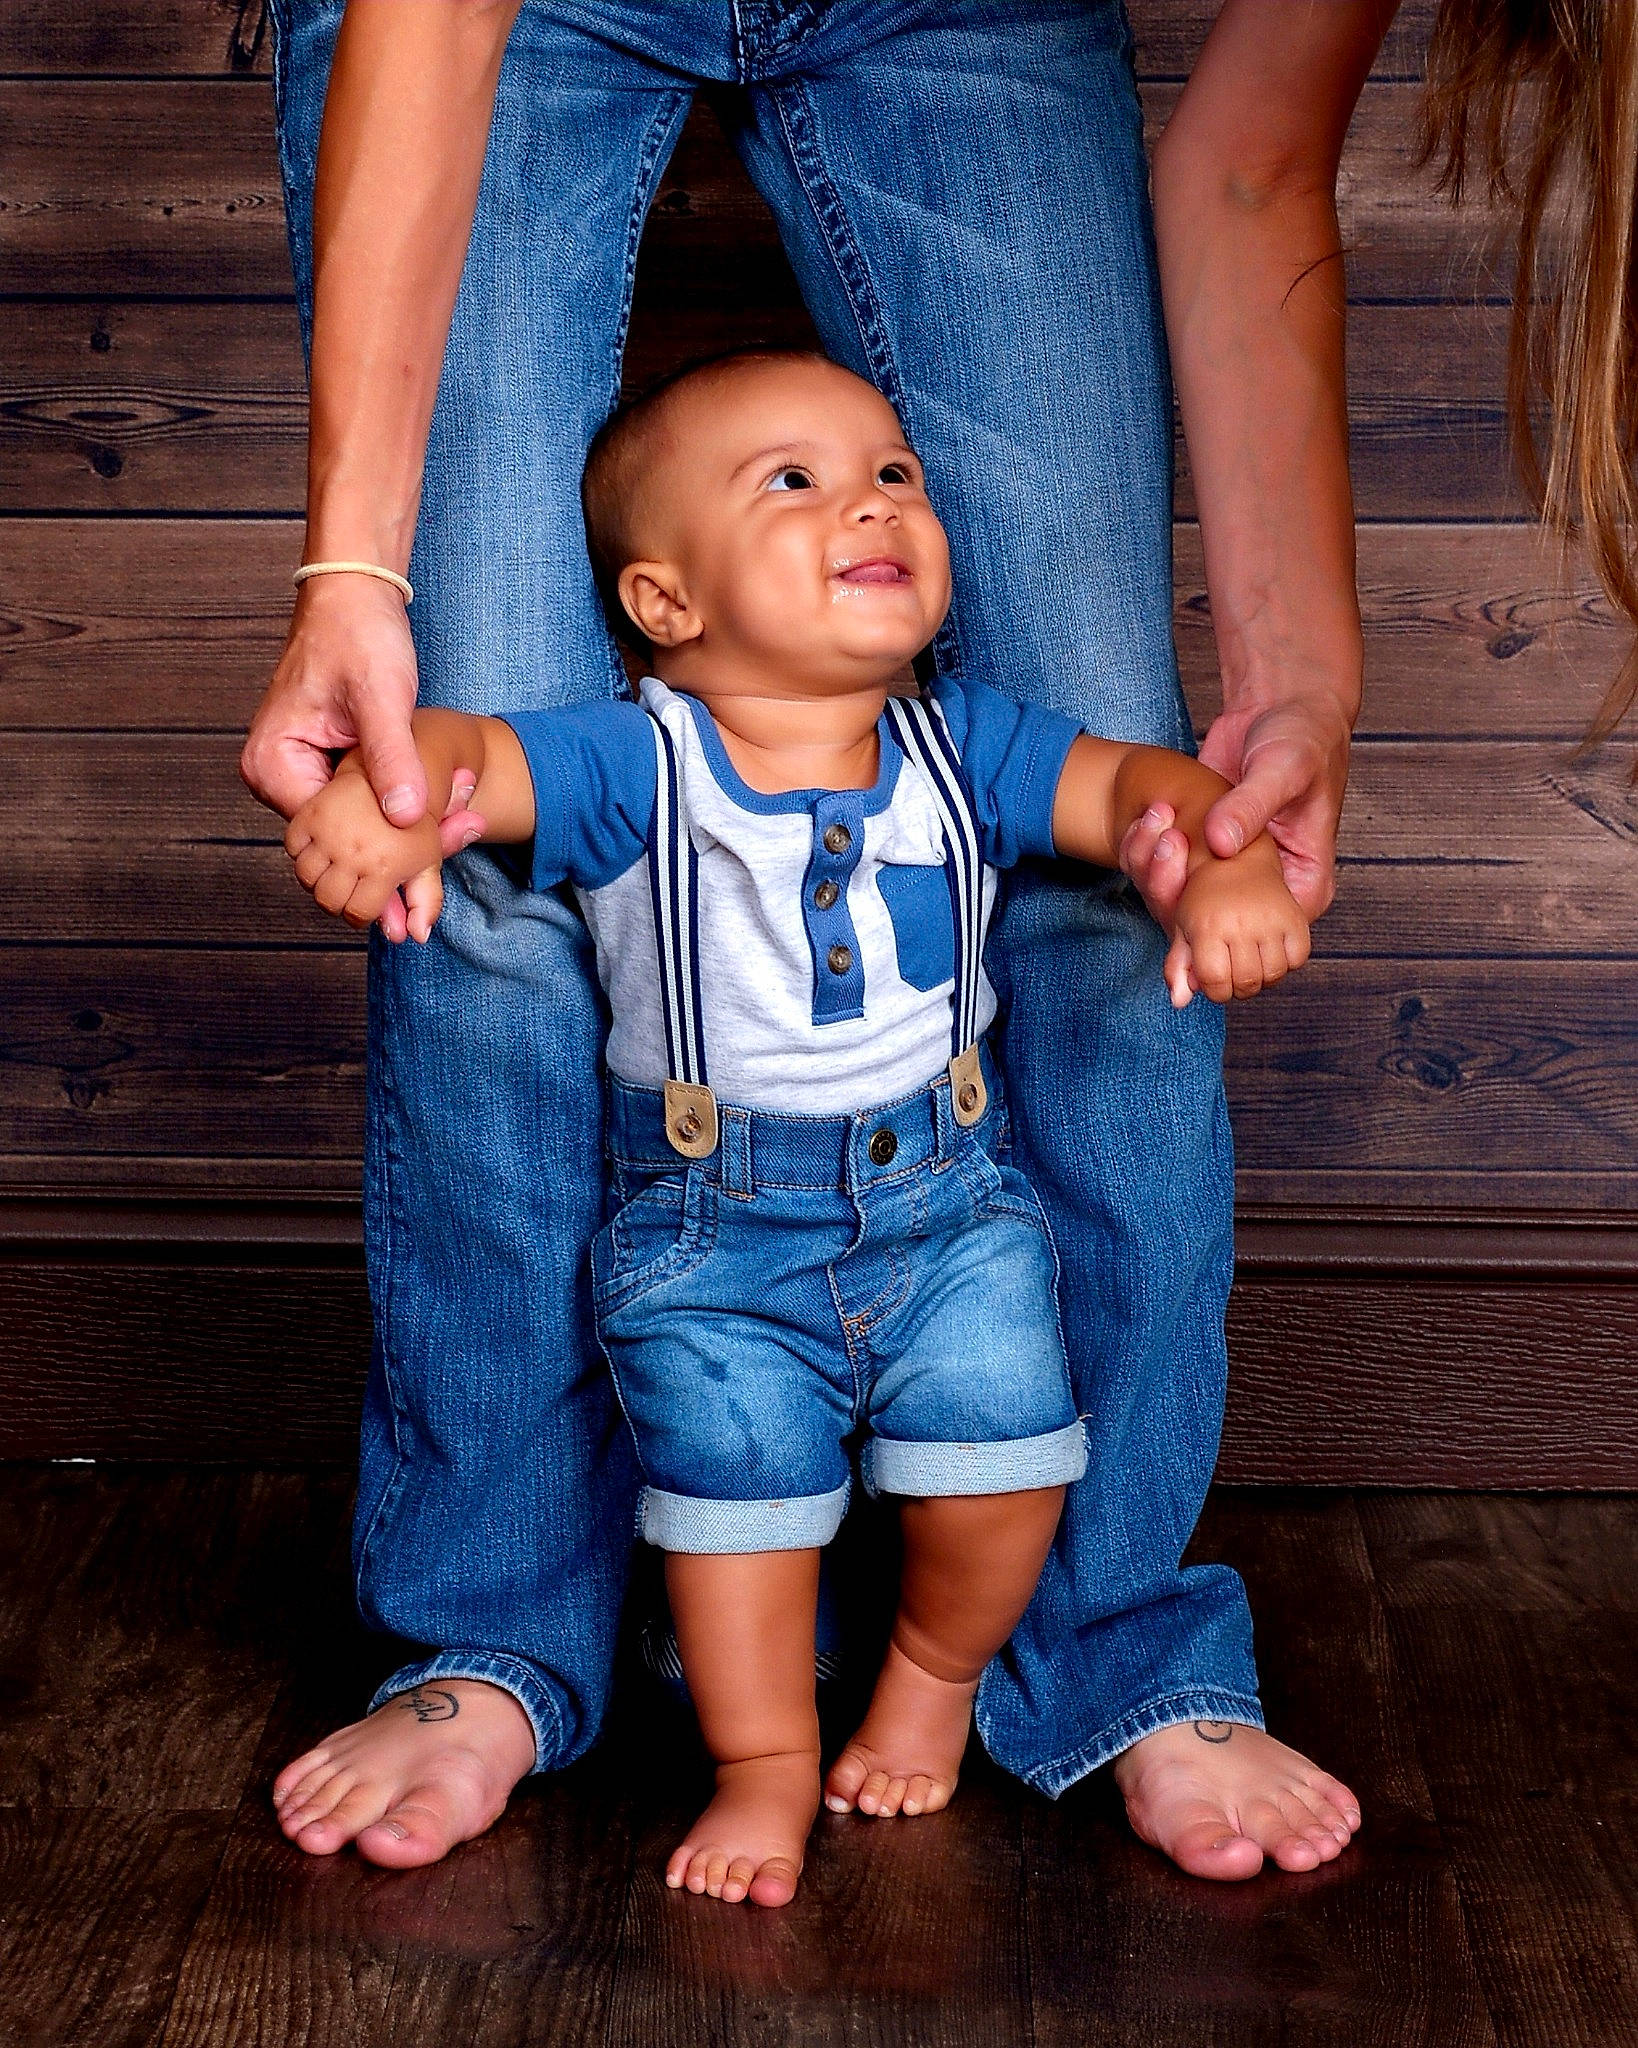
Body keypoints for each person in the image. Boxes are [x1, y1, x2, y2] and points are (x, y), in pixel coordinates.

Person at [249, 0, 1413, 1883]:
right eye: (798, 486)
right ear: (665, 601)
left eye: (885, 479)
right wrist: (353, 589)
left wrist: (1290, 708)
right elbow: (463, 767)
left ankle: (1109, 1645)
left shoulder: (964, 748)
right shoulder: (651, 751)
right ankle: (492, 1635)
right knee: (456, 841)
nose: (870, 503)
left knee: (1121, 845)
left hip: (961, 14)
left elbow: (1254, 166)